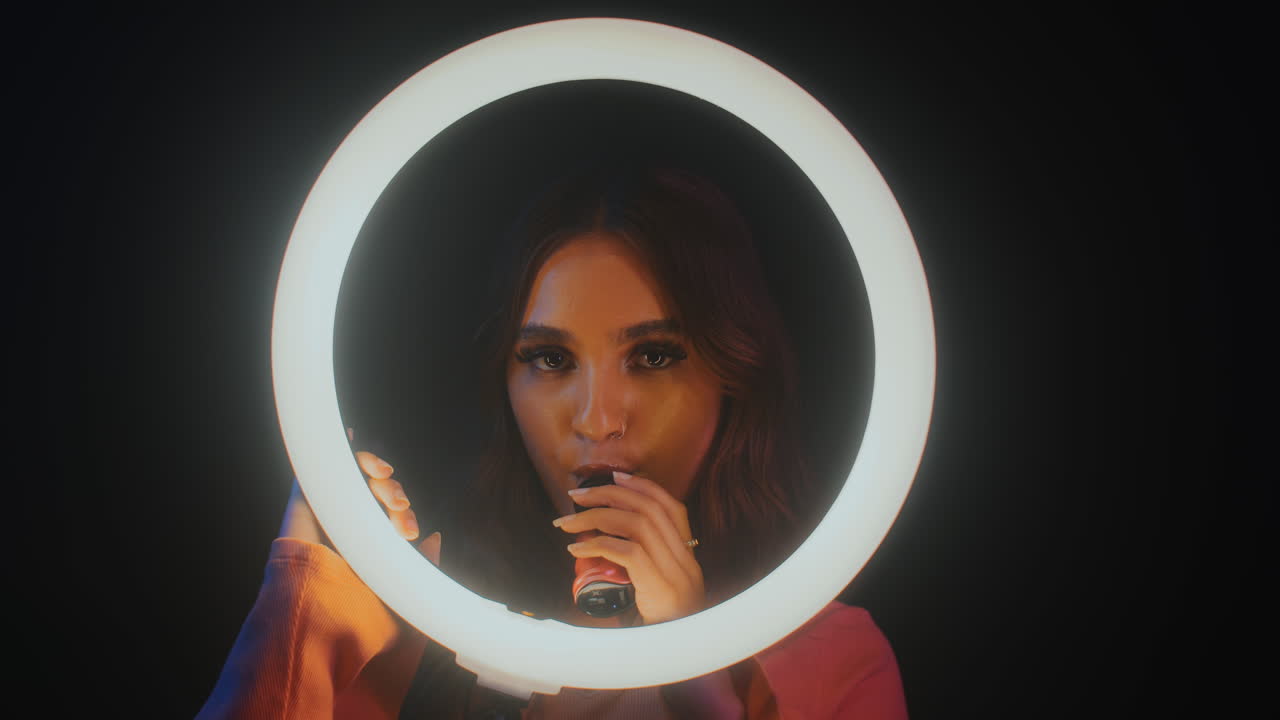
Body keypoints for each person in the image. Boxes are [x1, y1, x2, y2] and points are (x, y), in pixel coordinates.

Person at [197, 165, 909, 719]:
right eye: (550, 359)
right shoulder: (406, 630)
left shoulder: (833, 661)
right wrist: (302, 616)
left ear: (734, 373)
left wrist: (697, 671)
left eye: (654, 355)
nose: (598, 420)